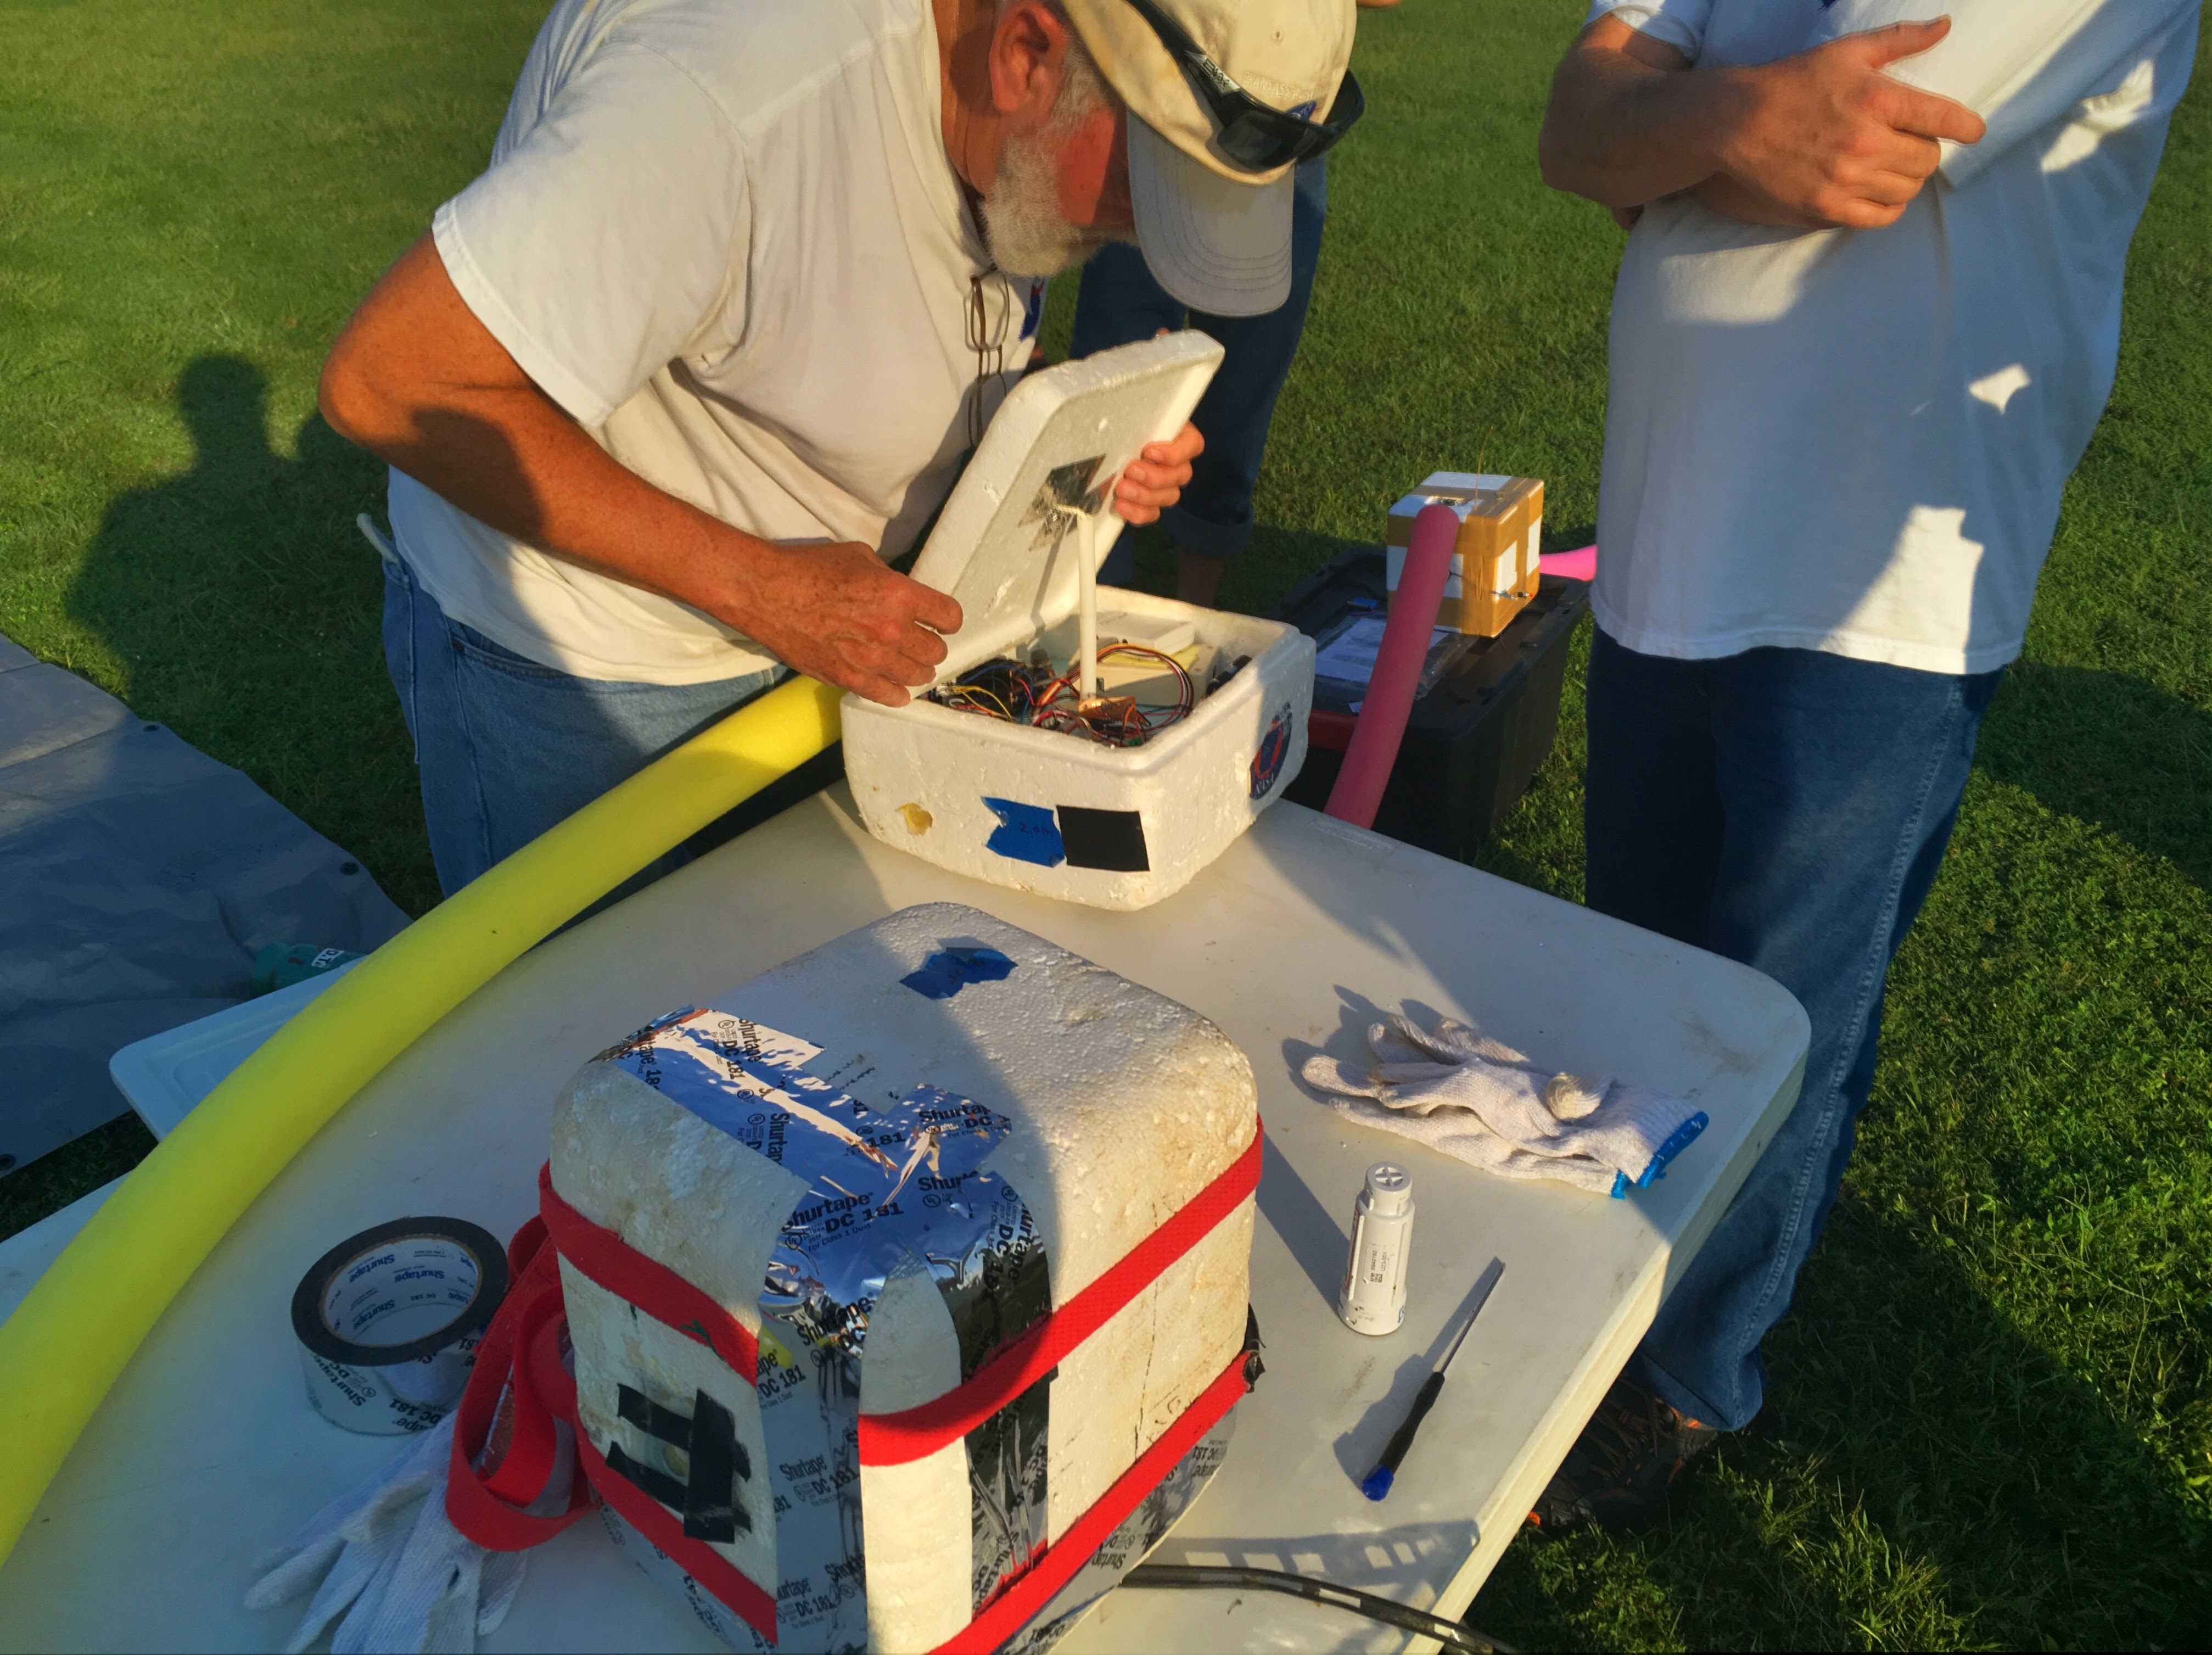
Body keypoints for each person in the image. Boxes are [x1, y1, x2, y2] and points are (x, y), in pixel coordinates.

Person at [1531, 0, 2198, 1530]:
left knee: (1780, 1014)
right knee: (1639, 976)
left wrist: (1678, 116)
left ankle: (1688, 1375)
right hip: (1661, 528)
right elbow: (1578, 137)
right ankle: (1602, 1290)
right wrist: (1719, 121)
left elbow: (1842, 155)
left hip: (1864, 588)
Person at [318, 0, 1363, 896]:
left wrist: (1075, 448)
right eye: (1144, 192)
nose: (1139, 238)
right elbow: (395, 380)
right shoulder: (726, 97)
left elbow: (902, 315)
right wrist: (763, 588)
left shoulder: (1005, 101)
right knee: (581, 1060)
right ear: (1027, 53)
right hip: (583, 661)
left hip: (814, 630)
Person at [1069, 155, 1328, 606]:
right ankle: (1089, 599)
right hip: (1152, 112)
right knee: (1115, 360)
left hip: (1282, 117)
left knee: (1247, 365)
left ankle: (1197, 609)